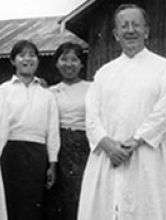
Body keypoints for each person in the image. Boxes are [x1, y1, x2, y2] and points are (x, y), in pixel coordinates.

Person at [77, 4, 166, 220]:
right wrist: (108, 145)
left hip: (148, 156)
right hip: (108, 156)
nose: (130, 30)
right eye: (124, 26)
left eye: (136, 24)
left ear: (147, 31)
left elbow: (165, 112)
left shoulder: (164, 69)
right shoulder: (104, 73)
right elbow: (92, 116)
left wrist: (133, 142)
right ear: (116, 34)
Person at [0, 40, 60, 220]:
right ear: (13, 60)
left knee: (33, 205)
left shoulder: (47, 94)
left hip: (37, 154)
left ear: (38, 60)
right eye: (22, 55)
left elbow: (52, 130)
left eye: (32, 55)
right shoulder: (3, 91)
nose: (27, 59)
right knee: (10, 203)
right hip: (9, 152)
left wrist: (52, 163)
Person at [46, 42, 90, 220]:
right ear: (57, 63)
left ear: (81, 64)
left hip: (84, 146)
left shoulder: (93, 88)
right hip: (58, 145)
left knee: (81, 195)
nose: (69, 64)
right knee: (58, 198)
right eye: (64, 59)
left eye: (74, 59)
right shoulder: (49, 92)